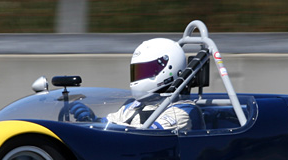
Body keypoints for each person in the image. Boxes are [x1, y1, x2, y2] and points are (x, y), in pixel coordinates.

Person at [68, 37, 199, 130]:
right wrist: (93, 121)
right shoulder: (134, 106)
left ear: (169, 69)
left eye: (146, 70)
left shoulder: (182, 111)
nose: (139, 77)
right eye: (138, 71)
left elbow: (146, 136)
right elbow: (111, 123)